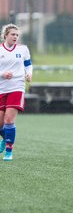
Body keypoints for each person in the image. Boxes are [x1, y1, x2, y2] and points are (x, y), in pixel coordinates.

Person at [0, 24, 33, 161]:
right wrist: (2, 74)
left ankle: (9, 151)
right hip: (1, 89)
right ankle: (6, 138)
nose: (15, 37)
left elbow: (28, 64)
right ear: (5, 35)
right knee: (1, 124)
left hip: (17, 88)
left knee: (9, 120)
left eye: (17, 35)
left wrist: (29, 74)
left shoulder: (23, 49)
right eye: (13, 34)